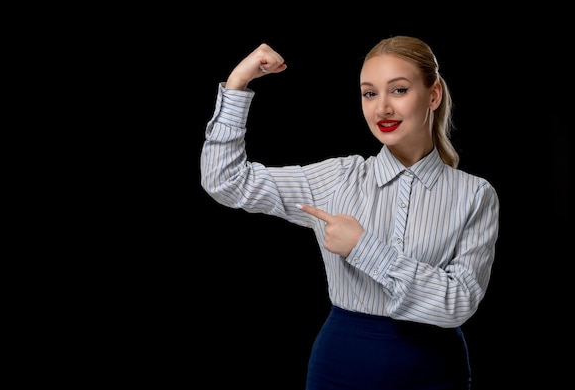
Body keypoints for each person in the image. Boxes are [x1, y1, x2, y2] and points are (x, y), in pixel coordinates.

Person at [200, 36, 499, 390]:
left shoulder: (475, 194)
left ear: (433, 95)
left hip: (433, 371)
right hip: (340, 367)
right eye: (369, 93)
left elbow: (458, 303)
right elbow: (226, 181)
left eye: (399, 90)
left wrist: (363, 247)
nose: (382, 108)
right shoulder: (337, 179)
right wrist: (237, 83)